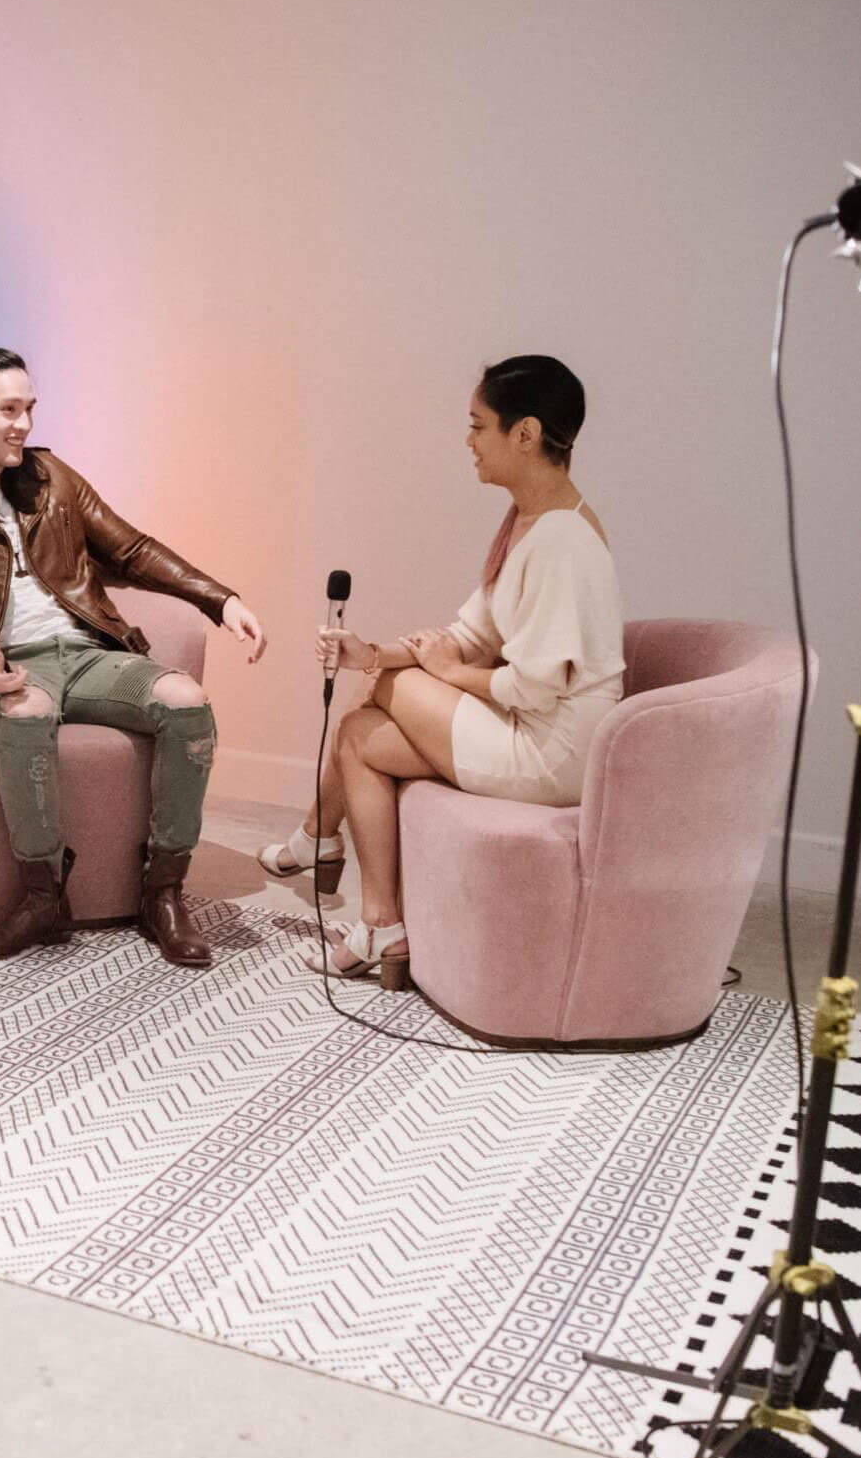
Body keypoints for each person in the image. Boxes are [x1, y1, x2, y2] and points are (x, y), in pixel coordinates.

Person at [0, 348, 267, 965]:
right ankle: (42, 897)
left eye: (29, 408)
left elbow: (133, 548)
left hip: (89, 652)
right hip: (8, 663)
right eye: (8, 410)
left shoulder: (51, 477)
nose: (24, 425)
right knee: (27, 712)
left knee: (188, 705)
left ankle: (162, 891)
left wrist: (219, 600)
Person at [256, 355, 623, 986]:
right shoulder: (531, 522)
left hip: (553, 753)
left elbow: (534, 687)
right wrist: (368, 651)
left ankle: (320, 839)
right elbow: (468, 635)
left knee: (390, 688)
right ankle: (379, 924)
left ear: (526, 434)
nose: (468, 441)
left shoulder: (562, 542)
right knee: (358, 737)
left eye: (479, 426)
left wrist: (443, 675)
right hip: (529, 728)